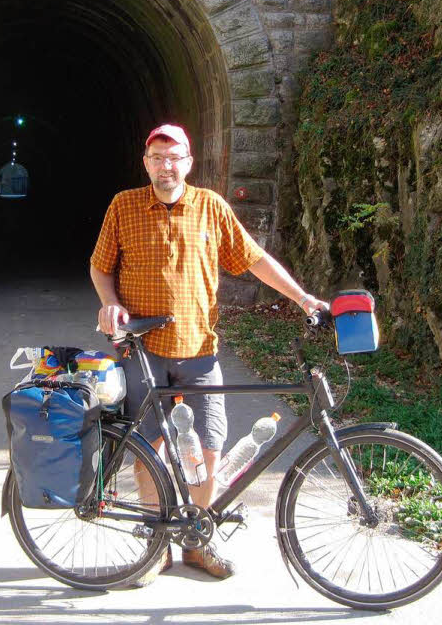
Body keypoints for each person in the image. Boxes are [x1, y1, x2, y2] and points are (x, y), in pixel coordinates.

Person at [89, 123, 327, 585]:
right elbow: (101, 267)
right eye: (157, 157)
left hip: (200, 349)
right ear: (146, 162)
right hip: (144, 350)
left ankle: (197, 545)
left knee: (209, 446)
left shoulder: (211, 207)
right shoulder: (124, 206)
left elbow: (254, 258)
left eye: (174, 156)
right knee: (149, 448)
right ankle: (155, 547)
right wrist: (110, 303)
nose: (166, 165)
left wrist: (303, 298)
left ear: (189, 162)